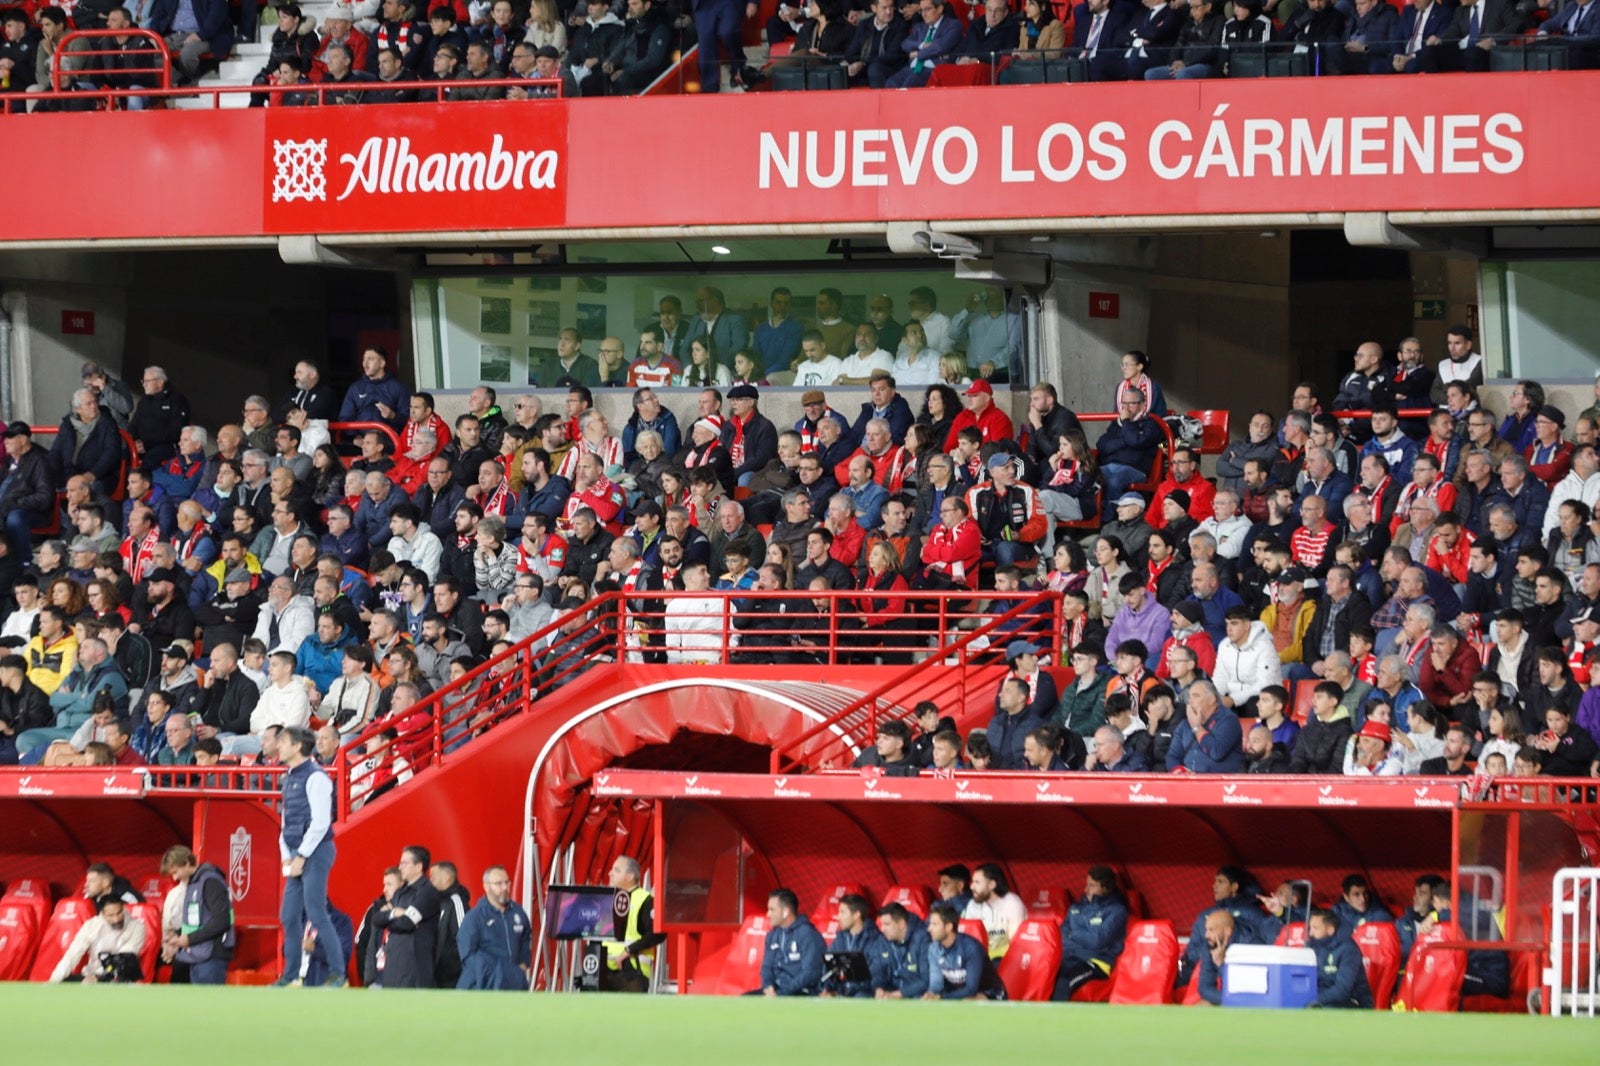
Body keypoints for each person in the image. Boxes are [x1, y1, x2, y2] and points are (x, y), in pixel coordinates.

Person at [274, 727, 348, 987]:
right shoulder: (290, 777)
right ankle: (290, 974)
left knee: (316, 912)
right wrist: (286, 856)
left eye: (282, 742)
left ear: (297, 746)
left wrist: (301, 857)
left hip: (315, 851)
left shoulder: (317, 777)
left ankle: (338, 973)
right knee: (288, 916)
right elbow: (286, 822)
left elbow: (320, 823)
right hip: (297, 853)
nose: (278, 746)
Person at [159, 844, 234, 985]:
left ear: (187, 863)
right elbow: (197, 922)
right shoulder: (194, 884)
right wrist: (178, 938)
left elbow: (221, 920)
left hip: (212, 955)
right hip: (197, 953)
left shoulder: (210, 881)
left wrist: (189, 939)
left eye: (175, 872)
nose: (175, 878)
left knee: (210, 1004)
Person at [1051, 866, 1128, 1001]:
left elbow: (1097, 940)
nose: (1086, 889)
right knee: (1042, 973)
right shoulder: (1077, 907)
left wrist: (1073, 934)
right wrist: (1081, 937)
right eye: (1086, 885)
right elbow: (1061, 935)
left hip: (1096, 963)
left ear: (1106, 888)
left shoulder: (1117, 911)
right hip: (1069, 957)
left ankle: (1058, 1021)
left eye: (1092, 886)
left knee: (1063, 983)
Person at [456, 864, 532, 991]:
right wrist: (495, 975)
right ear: (486, 886)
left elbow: (525, 940)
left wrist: (522, 967)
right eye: (498, 884)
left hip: (514, 985)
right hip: (481, 987)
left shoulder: (518, 912)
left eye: (507, 882)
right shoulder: (475, 917)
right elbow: (467, 955)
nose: (504, 887)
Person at [49, 894, 146, 983]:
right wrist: (54, 980)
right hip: (91, 974)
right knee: (62, 981)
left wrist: (98, 978)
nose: (116, 919)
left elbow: (122, 961)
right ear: (102, 914)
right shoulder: (91, 926)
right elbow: (72, 955)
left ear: (123, 908)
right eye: (111, 915)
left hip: (120, 977)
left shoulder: (136, 927)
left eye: (119, 913)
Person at [603, 855, 663, 992]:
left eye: (616, 870)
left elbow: (658, 932)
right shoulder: (607, 899)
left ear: (630, 876)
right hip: (604, 972)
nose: (610, 873)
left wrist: (629, 950)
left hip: (632, 974)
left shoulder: (645, 900)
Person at [924, 902, 1005, 999]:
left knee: (968, 1001)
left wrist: (941, 998)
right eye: (930, 924)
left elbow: (971, 989)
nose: (929, 929)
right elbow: (936, 985)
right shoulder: (933, 949)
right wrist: (931, 996)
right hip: (957, 994)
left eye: (934, 924)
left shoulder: (971, 948)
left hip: (990, 993)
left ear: (949, 927)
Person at [755, 888, 825, 996]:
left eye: (772, 910)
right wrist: (768, 987)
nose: (768, 914)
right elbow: (766, 966)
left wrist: (782, 994)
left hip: (801, 993)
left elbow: (810, 974)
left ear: (785, 912)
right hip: (777, 991)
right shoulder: (773, 935)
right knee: (743, 1001)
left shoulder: (808, 934)